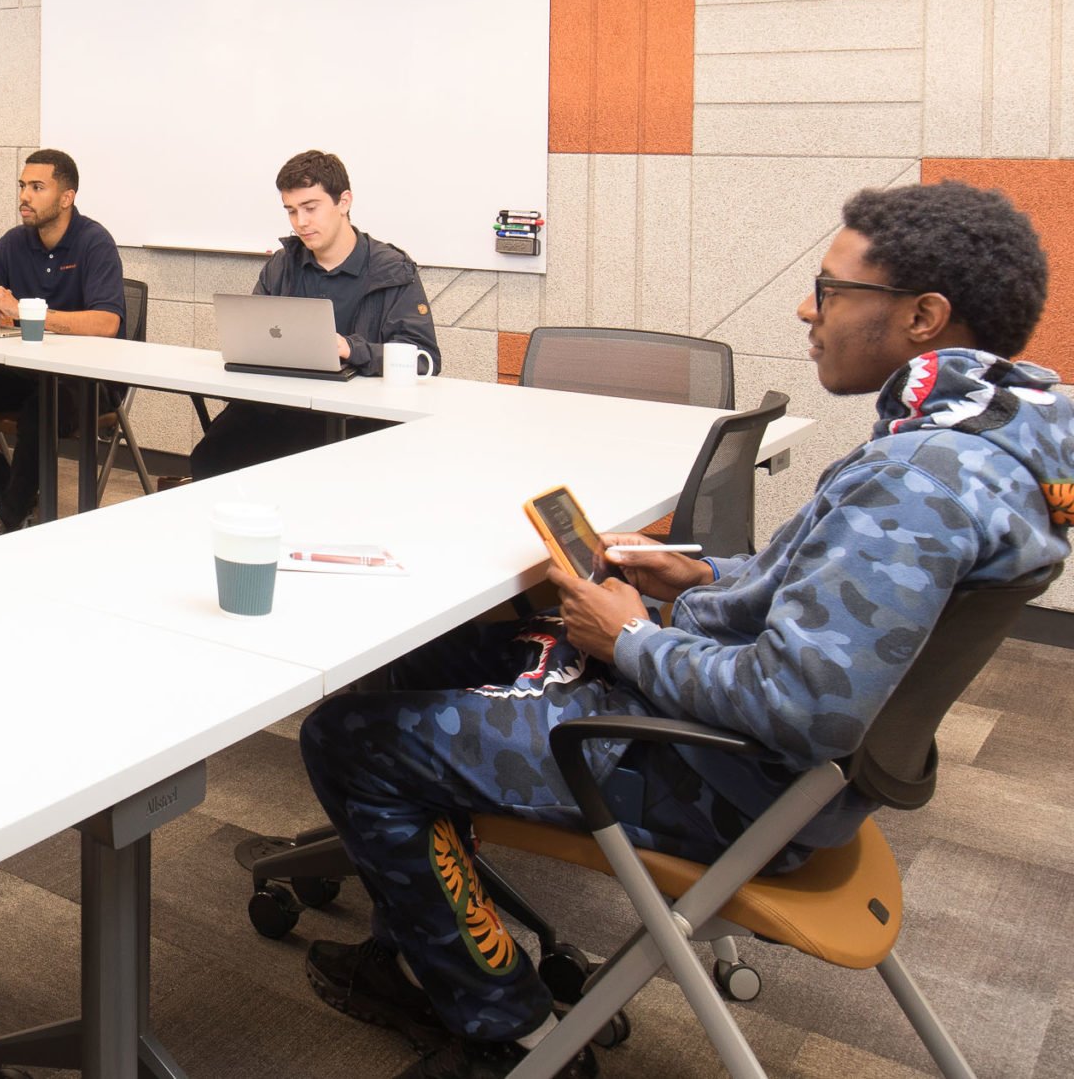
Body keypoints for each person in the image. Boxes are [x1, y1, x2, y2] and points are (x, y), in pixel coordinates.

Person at [297, 180, 1071, 1079]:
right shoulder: (980, 444)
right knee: (425, 657)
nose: (803, 308)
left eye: (829, 291)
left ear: (925, 317)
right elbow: (830, 599)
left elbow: (805, 703)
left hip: (722, 777)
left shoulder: (920, 481)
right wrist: (702, 576)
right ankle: (414, 954)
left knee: (352, 740)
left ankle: (503, 1027)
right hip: (760, 759)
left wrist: (630, 640)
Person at [189, 149, 440, 480]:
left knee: (311, 474)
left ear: (344, 202)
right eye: (291, 211)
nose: (300, 222)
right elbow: (255, 335)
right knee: (210, 457)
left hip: (356, 421)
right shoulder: (283, 264)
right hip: (281, 411)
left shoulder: (391, 270)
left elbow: (425, 360)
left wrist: (352, 350)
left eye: (310, 208)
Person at [0, 148, 125, 548]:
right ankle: (15, 498)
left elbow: (108, 323)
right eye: (22, 186)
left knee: (42, 406)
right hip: (24, 372)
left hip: (86, 381)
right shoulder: (13, 243)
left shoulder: (94, 242)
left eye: (37, 187)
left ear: (66, 197)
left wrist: (25, 313)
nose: (25, 196)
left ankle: (8, 517)